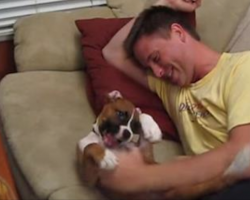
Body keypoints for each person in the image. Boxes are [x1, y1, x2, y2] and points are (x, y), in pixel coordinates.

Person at [100, 0, 250, 199]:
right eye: (150, 68)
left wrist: (143, 177)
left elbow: (243, 152)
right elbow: (112, 52)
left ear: (179, 33)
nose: (158, 72)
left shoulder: (241, 68)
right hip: (204, 189)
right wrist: (166, 2)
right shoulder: (170, 88)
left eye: (155, 58)